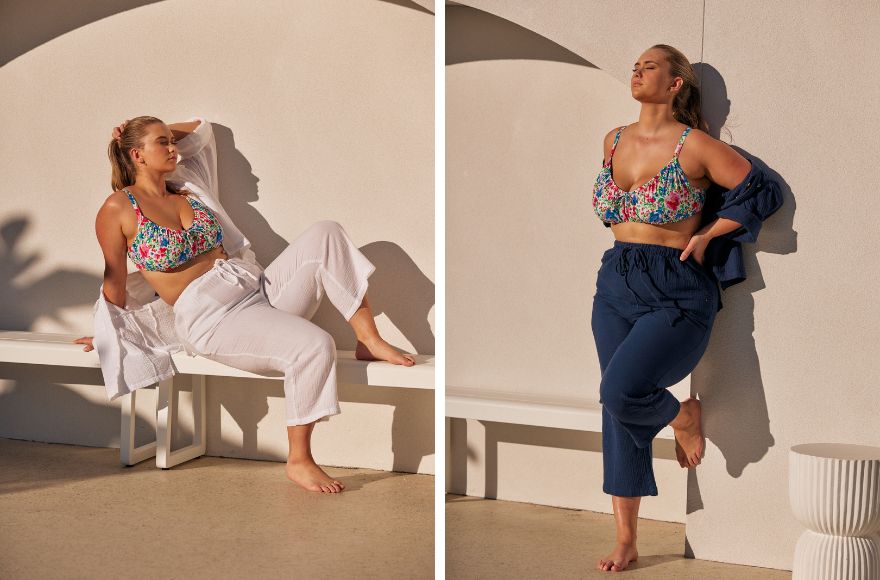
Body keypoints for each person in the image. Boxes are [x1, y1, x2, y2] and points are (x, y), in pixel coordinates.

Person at [73, 115, 416, 495]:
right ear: (137, 154)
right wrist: (108, 332)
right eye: (161, 143)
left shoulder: (186, 188)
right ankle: (299, 460)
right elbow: (115, 280)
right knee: (315, 345)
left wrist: (149, 130)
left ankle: (368, 337)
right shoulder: (118, 208)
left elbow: (200, 130)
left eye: (171, 141)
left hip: (255, 287)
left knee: (327, 232)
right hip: (212, 318)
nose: (173, 148)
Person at [590, 45, 783, 571]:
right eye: (634, 64)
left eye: (649, 65)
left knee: (621, 390)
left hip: (674, 287)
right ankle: (627, 537)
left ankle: (682, 415)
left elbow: (760, 187)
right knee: (617, 411)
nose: (636, 69)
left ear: (676, 83)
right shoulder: (613, 139)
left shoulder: (693, 146)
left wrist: (708, 234)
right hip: (616, 280)